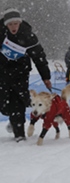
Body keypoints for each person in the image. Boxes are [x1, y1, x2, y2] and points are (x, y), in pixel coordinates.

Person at [0, 8, 52, 142]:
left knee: (18, 102)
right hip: (2, 73)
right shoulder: (0, 34)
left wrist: (45, 77)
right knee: (4, 105)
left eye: (16, 24)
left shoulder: (27, 36)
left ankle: (19, 133)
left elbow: (39, 57)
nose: (13, 27)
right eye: (10, 24)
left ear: (20, 23)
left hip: (20, 74)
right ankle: (12, 119)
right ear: (6, 24)